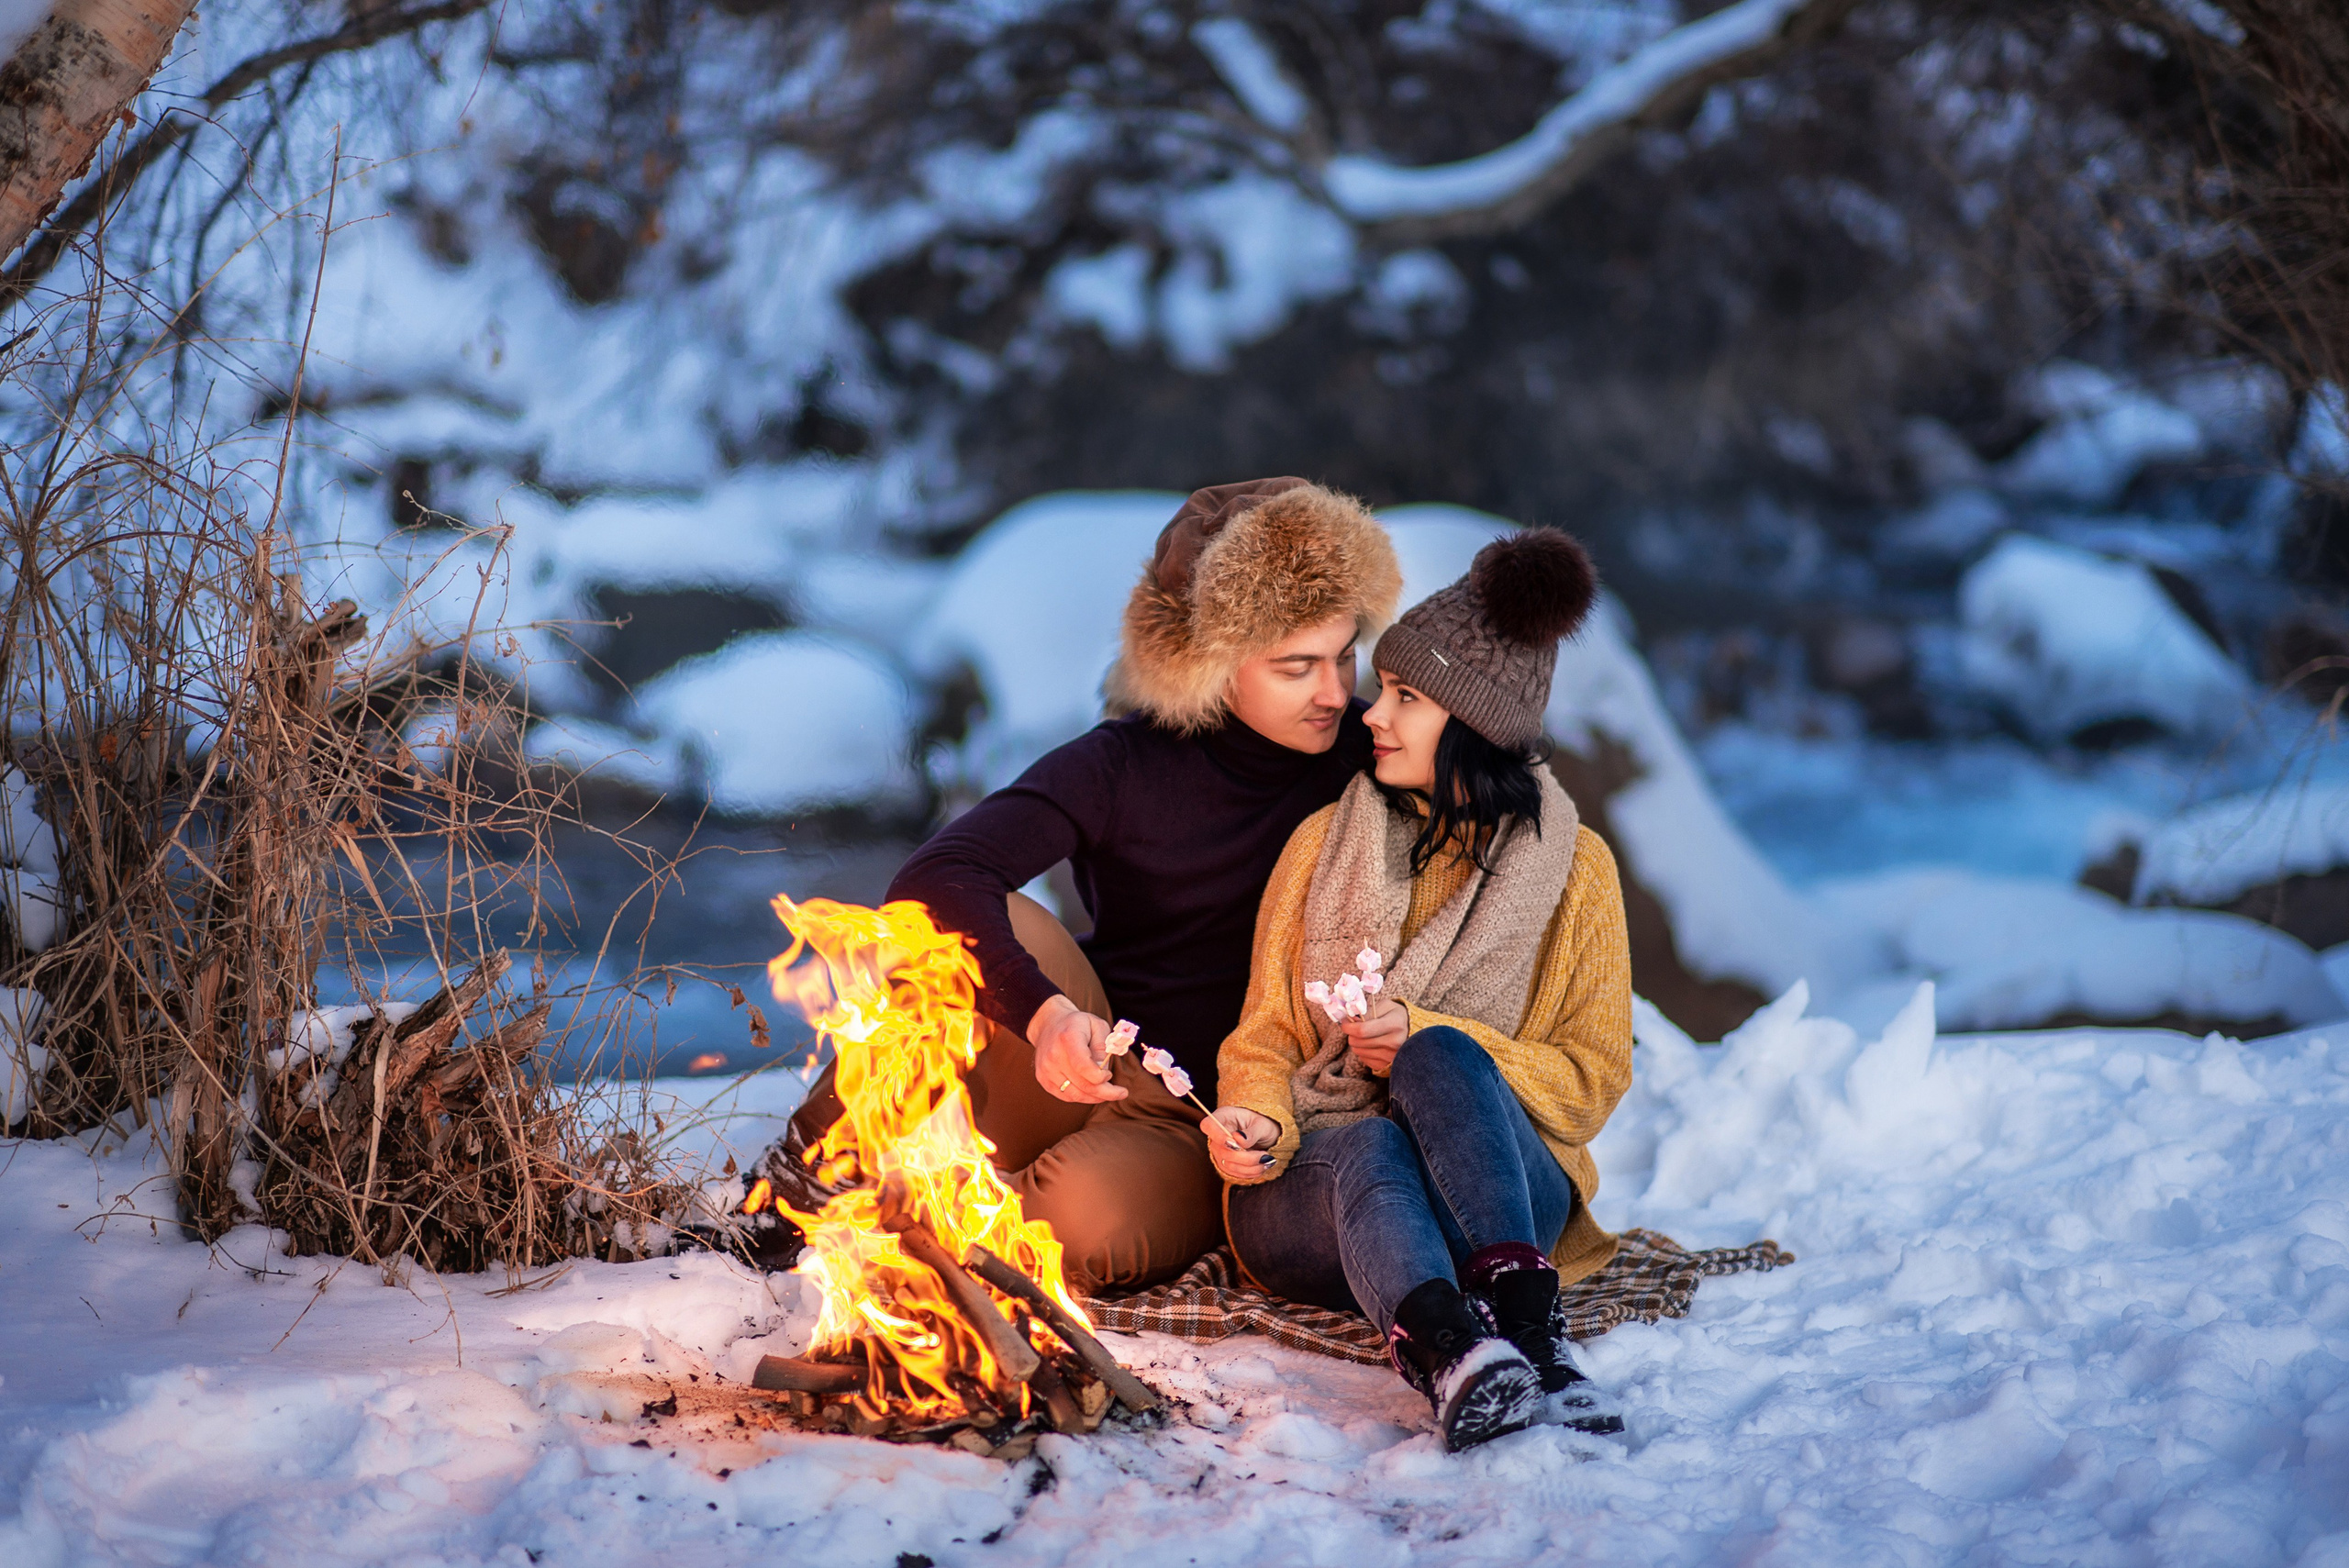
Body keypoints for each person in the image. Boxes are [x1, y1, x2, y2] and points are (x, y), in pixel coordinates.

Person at [783, 477, 1402, 1292]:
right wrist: (1043, 1017)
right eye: (1297, 667)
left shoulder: (1378, 754)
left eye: (1344, 654)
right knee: (965, 921)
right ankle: (800, 1182)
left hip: (1209, 1118)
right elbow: (937, 874)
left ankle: (939, 1211)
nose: (1333, 691)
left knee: (1073, 1227)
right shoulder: (1123, 760)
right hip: (1088, 1042)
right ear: (1211, 664)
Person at [1205, 528, 1635, 1452]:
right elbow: (1264, 1038)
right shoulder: (1322, 842)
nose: (1371, 712)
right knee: (1365, 1141)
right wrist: (1258, 1121)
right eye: (1385, 687)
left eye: (1406, 696)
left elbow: (1593, 1079)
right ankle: (1453, 1357)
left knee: (1442, 1051)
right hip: (1321, 1193)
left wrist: (1430, 1034)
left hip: (1500, 1198)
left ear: (1472, 720)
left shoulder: (1579, 872)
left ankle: (1529, 1334)